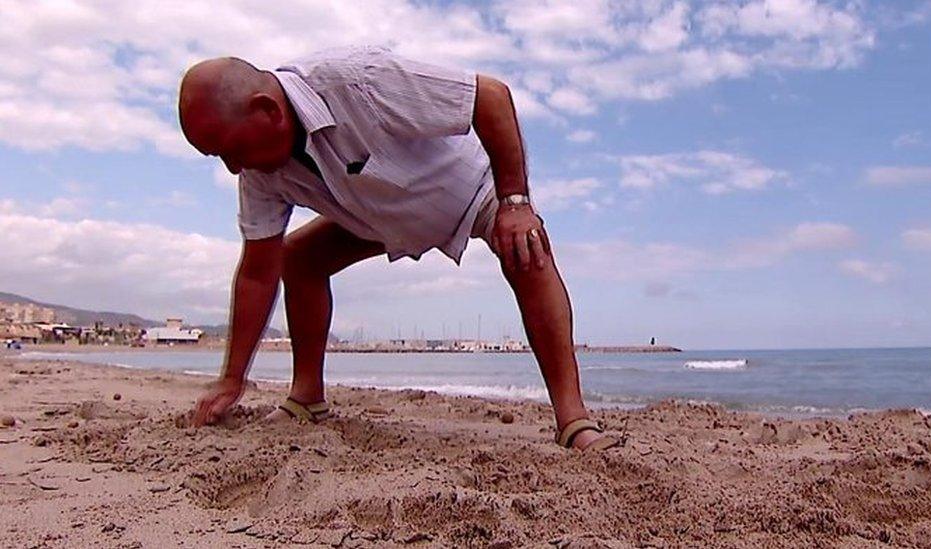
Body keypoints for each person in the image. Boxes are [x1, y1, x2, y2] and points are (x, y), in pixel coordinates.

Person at [177, 46, 615, 451]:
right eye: (219, 157)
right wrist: (231, 380)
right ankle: (307, 397)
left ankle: (573, 420)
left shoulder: (358, 79)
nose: (233, 167)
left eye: (230, 150)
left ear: (267, 109)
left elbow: (490, 96)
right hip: (373, 216)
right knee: (299, 258)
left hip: (465, 190)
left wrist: (515, 202)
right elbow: (257, 271)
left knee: (527, 247)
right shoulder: (257, 173)